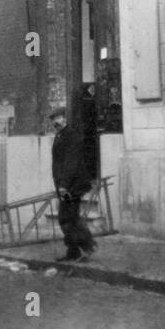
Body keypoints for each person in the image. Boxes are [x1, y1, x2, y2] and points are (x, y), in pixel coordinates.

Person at [50, 105, 95, 262]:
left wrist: (63, 185)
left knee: (68, 218)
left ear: (64, 118)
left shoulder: (71, 136)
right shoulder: (60, 136)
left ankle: (87, 247)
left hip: (72, 187)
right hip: (66, 186)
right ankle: (74, 250)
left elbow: (71, 163)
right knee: (68, 217)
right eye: (53, 119)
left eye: (57, 118)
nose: (55, 122)